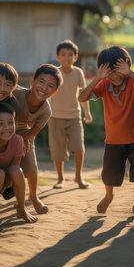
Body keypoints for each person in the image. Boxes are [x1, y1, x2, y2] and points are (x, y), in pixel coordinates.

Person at [78, 46, 134, 221]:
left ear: (126, 66)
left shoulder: (132, 81)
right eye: (110, 73)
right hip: (114, 139)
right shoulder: (104, 85)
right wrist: (97, 78)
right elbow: (81, 98)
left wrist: (131, 73)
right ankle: (109, 196)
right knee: (110, 173)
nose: (116, 76)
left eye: (119, 71)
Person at [14, 64, 63, 214]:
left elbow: (33, 131)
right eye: (41, 82)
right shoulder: (15, 94)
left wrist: (21, 140)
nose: (43, 88)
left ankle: (34, 197)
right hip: (2, 129)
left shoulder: (46, 110)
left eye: (50, 86)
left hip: (25, 134)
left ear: (54, 92)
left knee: (32, 170)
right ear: (32, 81)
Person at [48, 40, 93, 189]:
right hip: (55, 118)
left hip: (74, 117)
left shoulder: (78, 72)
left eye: (70, 55)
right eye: (63, 55)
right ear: (57, 57)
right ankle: (60, 179)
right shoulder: (54, 72)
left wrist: (87, 113)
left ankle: (78, 177)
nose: (66, 58)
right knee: (57, 151)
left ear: (76, 57)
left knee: (79, 147)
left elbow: (84, 94)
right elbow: (47, 94)